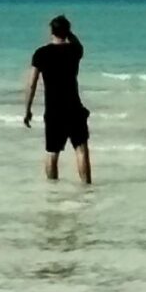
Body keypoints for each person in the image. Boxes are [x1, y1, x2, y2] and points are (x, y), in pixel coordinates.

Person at [23, 13, 92, 185]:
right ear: (67, 32)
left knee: (52, 152)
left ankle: (53, 190)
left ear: (51, 31)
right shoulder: (74, 51)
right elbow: (78, 44)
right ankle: (86, 188)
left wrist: (27, 109)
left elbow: (31, 84)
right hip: (74, 107)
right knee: (81, 149)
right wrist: (69, 34)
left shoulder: (41, 54)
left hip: (54, 110)